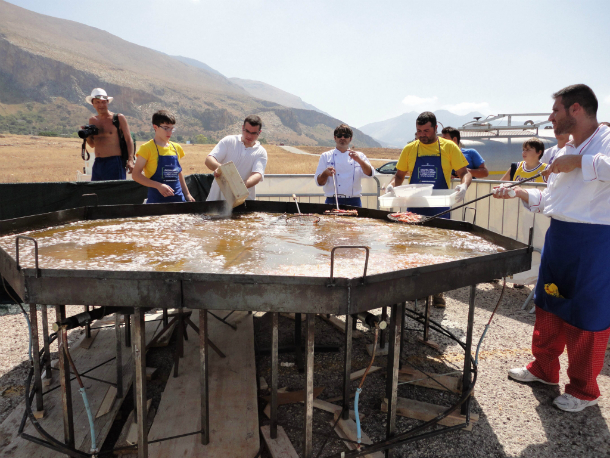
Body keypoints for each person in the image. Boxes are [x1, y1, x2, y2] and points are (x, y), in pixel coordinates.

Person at [494, 84, 610, 412]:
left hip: (595, 241)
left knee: (586, 315)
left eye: (555, 110)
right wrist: (518, 193)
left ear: (576, 109)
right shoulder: (564, 148)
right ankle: (544, 369)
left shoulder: (604, 141)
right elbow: (553, 201)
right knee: (548, 304)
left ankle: (584, 390)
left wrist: (581, 161)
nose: (550, 117)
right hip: (559, 235)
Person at [388, 112, 472, 307]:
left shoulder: (449, 147)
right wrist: (391, 186)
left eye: (426, 130)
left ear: (435, 128)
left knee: (438, 250)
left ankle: (438, 292)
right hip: (415, 207)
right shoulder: (410, 149)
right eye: (418, 131)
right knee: (415, 249)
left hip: (439, 207)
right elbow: (399, 175)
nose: (422, 134)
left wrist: (464, 186)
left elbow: (464, 173)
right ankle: (418, 289)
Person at [132, 110, 194, 204]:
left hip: (178, 201)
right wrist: (158, 186)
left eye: (171, 128)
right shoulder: (146, 148)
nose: (169, 132)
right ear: (155, 127)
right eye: (166, 128)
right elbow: (135, 175)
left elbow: (179, 173)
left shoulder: (176, 147)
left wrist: (187, 194)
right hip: (157, 203)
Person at [205, 115, 268, 202]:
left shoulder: (261, 152)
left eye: (253, 133)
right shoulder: (229, 141)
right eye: (247, 131)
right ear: (242, 128)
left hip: (244, 202)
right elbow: (209, 159)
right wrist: (222, 169)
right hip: (216, 200)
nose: (249, 136)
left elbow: (257, 175)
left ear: (259, 133)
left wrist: (240, 186)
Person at [314, 124, 375, 207]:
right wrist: (325, 173)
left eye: (346, 136)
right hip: (332, 201)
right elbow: (319, 182)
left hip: (354, 201)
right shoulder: (325, 156)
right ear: (335, 138)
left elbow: (370, 174)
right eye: (339, 136)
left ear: (350, 139)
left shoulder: (360, 156)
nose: (342, 138)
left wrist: (360, 161)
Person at [85, 88, 134, 181]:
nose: (101, 105)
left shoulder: (118, 118)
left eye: (103, 102)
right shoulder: (92, 120)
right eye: (97, 102)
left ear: (107, 102)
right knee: (97, 192)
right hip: (98, 162)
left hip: (115, 162)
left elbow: (128, 140)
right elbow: (92, 145)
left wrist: (130, 160)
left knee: (115, 192)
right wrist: (87, 136)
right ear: (93, 104)